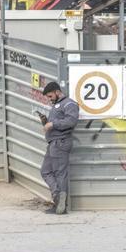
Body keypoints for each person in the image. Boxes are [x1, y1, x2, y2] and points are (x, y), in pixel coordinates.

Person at [39, 81, 79, 214]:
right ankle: (58, 198)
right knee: (45, 171)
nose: (49, 99)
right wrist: (46, 122)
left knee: (60, 173)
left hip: (61, 142)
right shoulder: (57, 105)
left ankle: (61, 205)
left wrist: (52, 124)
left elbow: (71, 121)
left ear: (57, 92)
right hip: (53, 143)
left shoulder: (69, 104)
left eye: (50, 96)